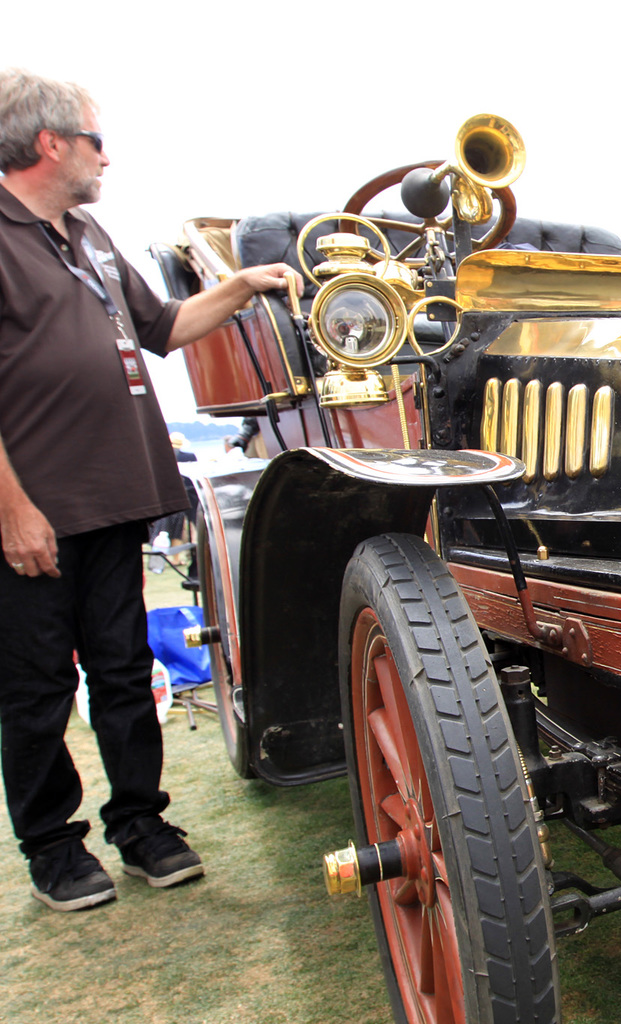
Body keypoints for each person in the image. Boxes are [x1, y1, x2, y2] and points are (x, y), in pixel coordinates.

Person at [0, 68, 290, 911]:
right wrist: (12, 511)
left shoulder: (86, 233)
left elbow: (163, 328)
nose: (107, 158)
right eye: (97, 140)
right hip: (37, 515)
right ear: (50, 143)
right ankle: (53, 848)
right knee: (39, 690)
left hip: (117, 498)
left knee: (124, 675)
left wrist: (239, 286)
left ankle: (141, 826)